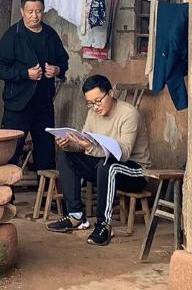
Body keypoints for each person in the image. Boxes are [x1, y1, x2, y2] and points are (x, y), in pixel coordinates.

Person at [48, 74, 150, 246]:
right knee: (65, 157)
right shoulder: (92, 114)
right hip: (103, 165)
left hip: (134, 171)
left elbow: (124, 154)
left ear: (110, 93)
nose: (95, 107)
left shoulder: (129, 114)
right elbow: (84, 145)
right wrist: (69, 144)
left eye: (98, 101)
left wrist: (89, 147)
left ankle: (104, 225)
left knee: (107, 166)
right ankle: (75, 216)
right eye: (90, 103)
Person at [0, 0, 68, 173]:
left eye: (39, 11)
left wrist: (57, 69)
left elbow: (63, 60)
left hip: (43, 104)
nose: (35, 16)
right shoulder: (13, 35)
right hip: (18, 105)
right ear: (22, 11)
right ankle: (7, 190)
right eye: (30, 12)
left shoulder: (50, 34)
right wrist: (25, 74)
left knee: (46, 154)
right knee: (11, 153)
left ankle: (45, 192)